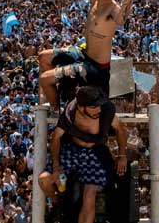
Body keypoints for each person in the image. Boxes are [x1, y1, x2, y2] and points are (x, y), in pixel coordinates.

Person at [37, 0, 134, 110]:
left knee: (45, 79)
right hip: (83, 55)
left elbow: (121, 20)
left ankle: (57, 111)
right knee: (43, 57)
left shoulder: (113, 9)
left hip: (95, 67)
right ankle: (63, 91)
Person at [38, 85, 128, 223]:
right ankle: (57, 203)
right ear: (81, 107)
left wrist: (122, 156)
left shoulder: (107, 111)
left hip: (96, 152)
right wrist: (56, 166)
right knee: (44, 180)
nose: (98, 109)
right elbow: (55, 137)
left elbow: (121, 130)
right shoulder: (70, 113)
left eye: (99, 105)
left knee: (89, 195)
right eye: (93, 106)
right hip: (72, 149)